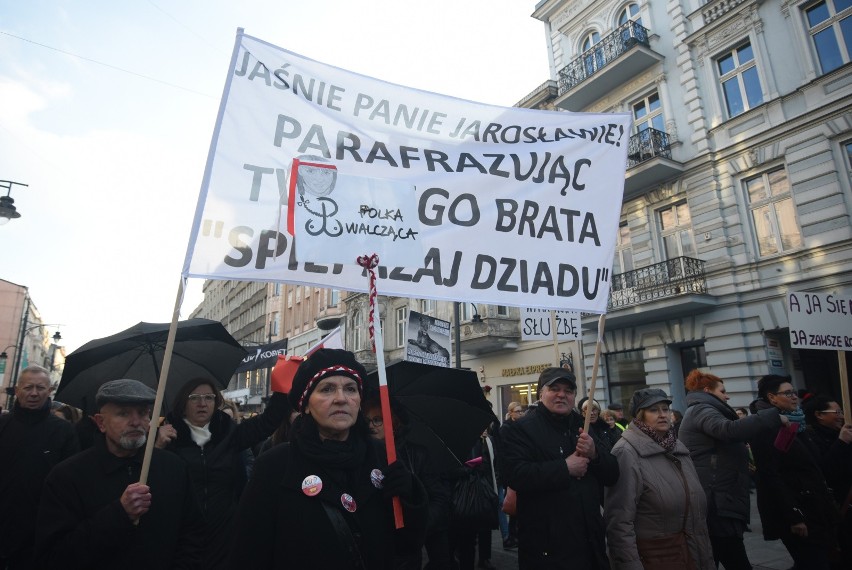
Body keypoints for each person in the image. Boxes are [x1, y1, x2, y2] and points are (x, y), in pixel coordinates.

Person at [227, 348, 427, 569]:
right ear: (306, 405)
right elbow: (247, 554)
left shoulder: (381, 456)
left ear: (360, 401)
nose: (341, 399)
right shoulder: (275, 465)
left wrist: (410, 497)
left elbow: (407, 545)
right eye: (327, 389)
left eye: (350, 389)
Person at [34, 379, 203, 570]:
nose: (136, 422)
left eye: (143, 413)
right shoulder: (68, 476)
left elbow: (192, 535)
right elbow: (55, 556)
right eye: (123, 414)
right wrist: (119, 514)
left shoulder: (173, 468)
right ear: (101, 422)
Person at [156, 377, 289, 570]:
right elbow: (154, 483)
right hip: (182, 537)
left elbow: (267, 422)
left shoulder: (229, 434)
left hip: (225, 535)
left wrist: (282, 386)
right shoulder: (168, 439)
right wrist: (158, 448)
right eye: (194, 398)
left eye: (209, 398)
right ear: (183, 403)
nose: (202, 403)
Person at [501, 367, 619, 569]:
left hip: (590, 544)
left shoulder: (585, 427)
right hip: (547, 549)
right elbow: (515, 475)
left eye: (568, 390)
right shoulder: (519, 429)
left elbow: (612, 474)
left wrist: (595, 454)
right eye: (554, 388)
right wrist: (565, 468)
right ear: (541, 393)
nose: (561, 395)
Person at [678, 369, 786, 570]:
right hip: (716, 500)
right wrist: (772, 417)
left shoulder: (704, 408)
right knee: (732, 558)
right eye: (723, 391)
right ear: (707, 390)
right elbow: (727, 430)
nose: (727, 396)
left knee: (717, 556)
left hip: (720, 498)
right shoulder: (702, 408)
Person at [605, 388, 715, 569]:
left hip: (694, 553)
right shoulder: (626, 452)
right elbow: (620, 522)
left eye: (665, 409)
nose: (663, 415)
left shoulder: (677, 446)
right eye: (654, 410)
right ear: (640, 415)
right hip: (657, 557)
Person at [749, 375, 840, 570]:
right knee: (814, 562)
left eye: (794, 392)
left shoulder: (797, 425)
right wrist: (794, 516)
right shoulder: (765, 428)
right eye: (788, 393)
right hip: (798, 511)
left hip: (815, 507)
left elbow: (813, 464)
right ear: (772, 397)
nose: (794, 397)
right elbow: (771, 475)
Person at [0, 365, 79, 570]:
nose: (34, 393)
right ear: (17, 390)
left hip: (39, 531)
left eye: (40, 388)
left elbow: (70, 481)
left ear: (49, 391)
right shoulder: (3, 425)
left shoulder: (64, 431)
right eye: (28, 388)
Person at [362, 394, 453, 570]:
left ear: (393, 423)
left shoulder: (416, 455)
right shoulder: (362, 456)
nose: (371, 426)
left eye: (377, 420)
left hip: (406, 556)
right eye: (367, 421)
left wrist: (417, 526)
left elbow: (439, 499)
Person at [803, 394, 852, 568]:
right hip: (837, 507)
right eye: (837, 412)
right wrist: (841, 443)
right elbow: (824, 471)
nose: (841, 416)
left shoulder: (844, 432)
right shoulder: (811, 437)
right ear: (819, 415)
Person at [498, 402, 523, 550]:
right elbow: (506, 451)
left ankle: (515, 534)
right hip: (510, 472)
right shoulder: (506, 428)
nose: (520, 414)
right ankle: (511, 535)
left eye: (521, 411)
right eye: (518, 411)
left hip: (517, 470)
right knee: (512, 504)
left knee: (517, 506)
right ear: (511, 413)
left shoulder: (520, 426)